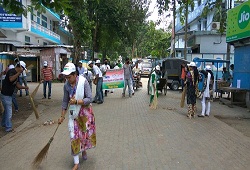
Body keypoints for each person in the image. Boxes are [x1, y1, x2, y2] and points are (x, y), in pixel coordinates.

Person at [58, 62, 96, 170]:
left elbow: (89, 98)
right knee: (73, 135)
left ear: (75, 75)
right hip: (73, 114)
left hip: (85, 113)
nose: (67, 79)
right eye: (66, 77)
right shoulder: (66, 85)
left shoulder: (83, 82)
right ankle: (76, 163)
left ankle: (83, 150)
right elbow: (65, 101)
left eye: (69, 77)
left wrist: (77, 102)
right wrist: (62, 116)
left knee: (84, 135)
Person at [1, 61, 29, 132]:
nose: (23, 70)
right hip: (5, 95)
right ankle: (8, 128)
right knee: (9, 111)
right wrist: (18, 73)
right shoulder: (12, 71)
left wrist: (24, 87)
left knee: (6, 111)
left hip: (9, 95)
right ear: (20, 67)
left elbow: (17, 85)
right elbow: (11, 79)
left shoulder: (17, 74)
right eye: (23, 68)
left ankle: (4, 123)